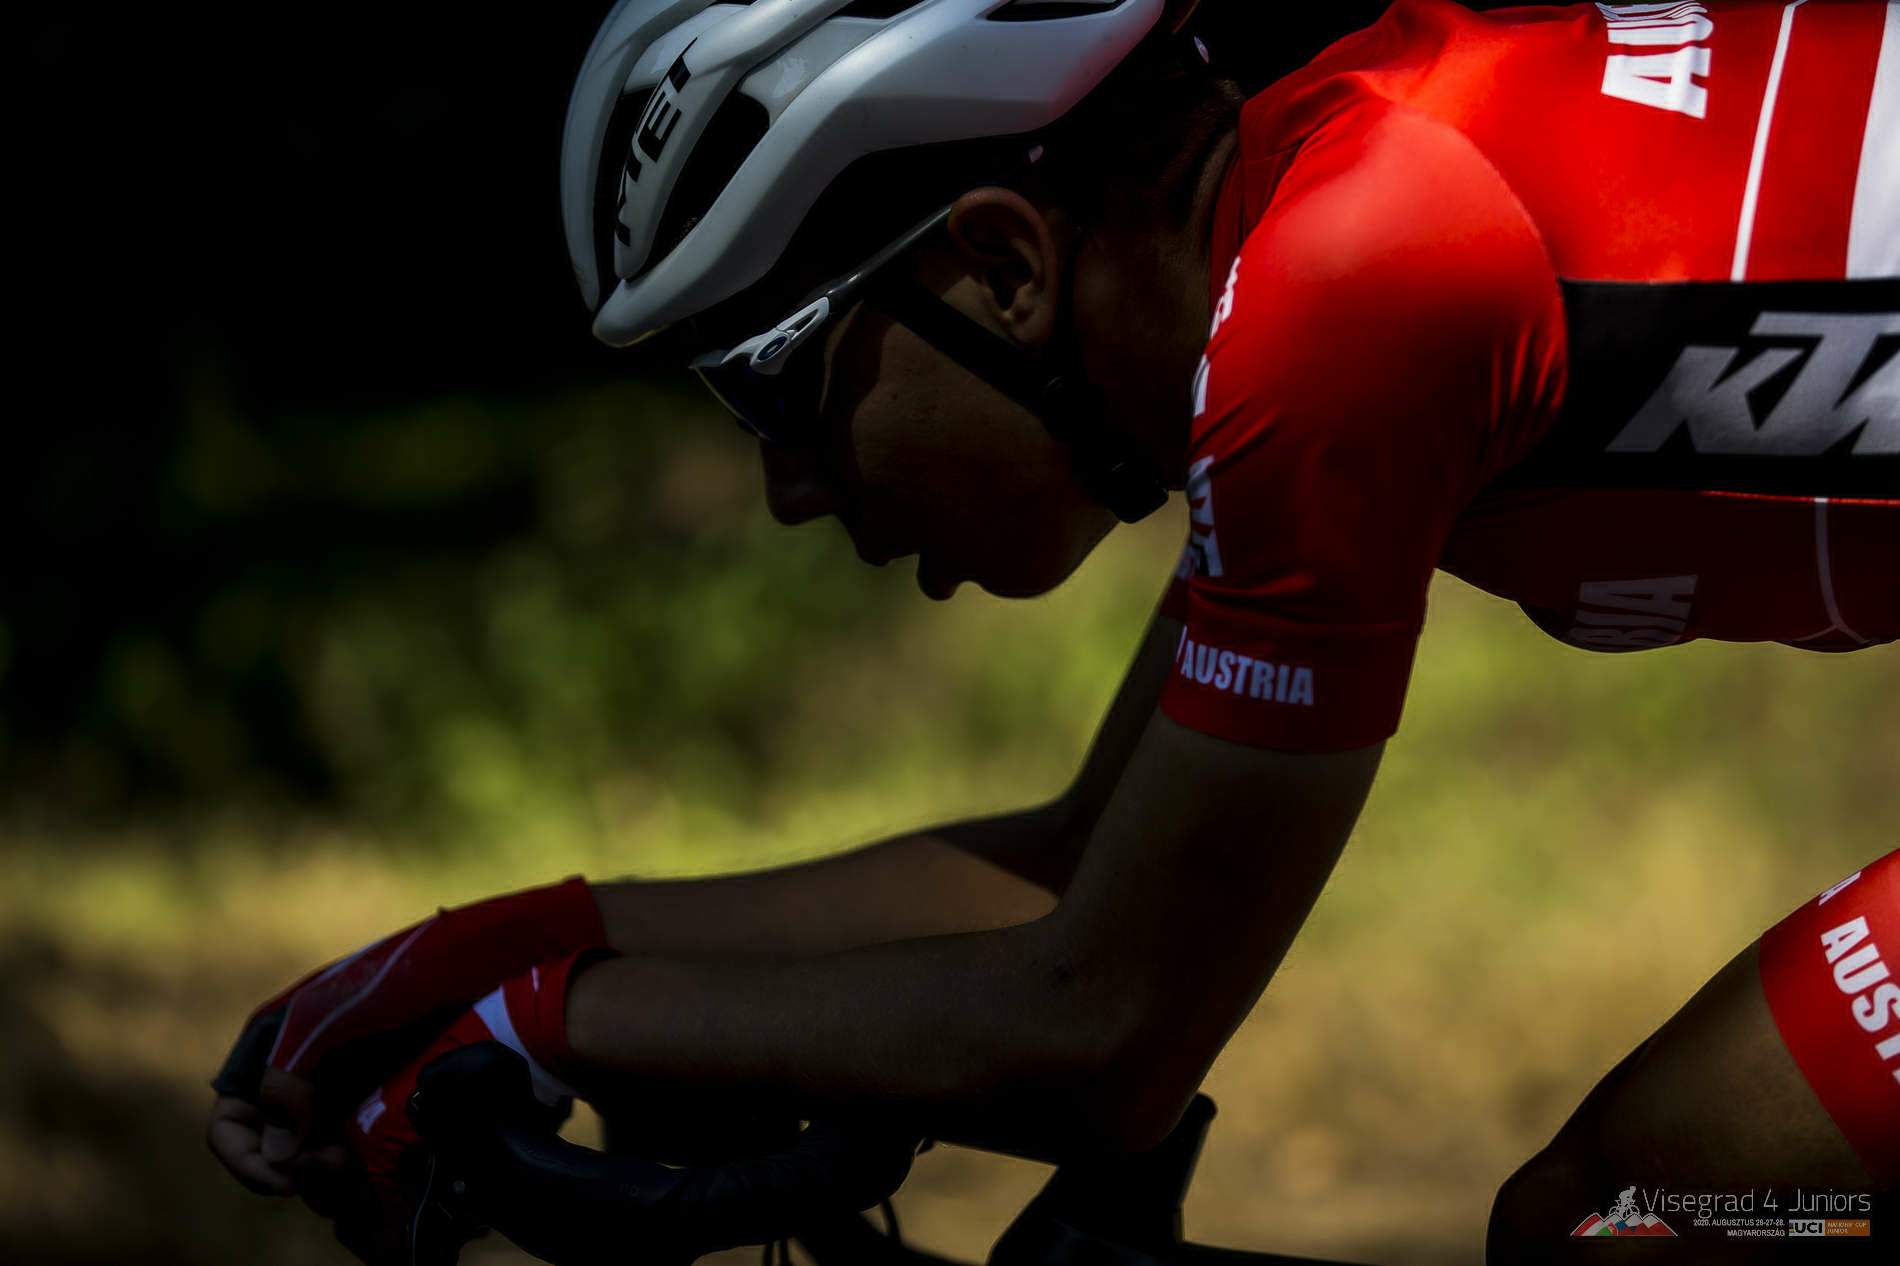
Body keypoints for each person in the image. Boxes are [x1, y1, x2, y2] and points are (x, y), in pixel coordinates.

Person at [208, 1, 1899, 1260]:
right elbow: (1076, 873)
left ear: (1005, 265)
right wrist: (499, 948)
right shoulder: (1295, 250)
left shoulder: (1344, 295)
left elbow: (1106, 1036)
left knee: (1638, 1222)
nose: (788, 491)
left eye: (776, 390)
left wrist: (548, 1023)